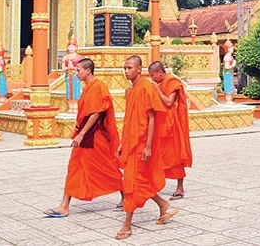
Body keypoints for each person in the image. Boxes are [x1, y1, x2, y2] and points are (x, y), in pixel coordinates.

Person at [43, 58, 123, 218]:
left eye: (79, 70)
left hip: (94, 136)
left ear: (88, 71)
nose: (76, 73)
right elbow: (87, 111)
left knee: (107, 167)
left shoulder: (98, 87)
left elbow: (96, 112)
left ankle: (127, 195)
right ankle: (64, 205)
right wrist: (78, 123)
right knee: (74, 167)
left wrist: (81, 133)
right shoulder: (88, 88)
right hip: (87, 135)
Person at [116, 56, 177, 240]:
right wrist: (122, 143)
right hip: (131, 141)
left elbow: (151, 117)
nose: (126, 71)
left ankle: (127, 224)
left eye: (129, 68)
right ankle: (162, 204)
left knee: (132, 183)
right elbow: (130, 119)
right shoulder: (132, 89)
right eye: (125, 68)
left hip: (142, 143)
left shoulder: (145, 87)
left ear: (139, 69)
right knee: (137, 180)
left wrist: (149, 146)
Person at [148, 61, 193, 201]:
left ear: (160, 72)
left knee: (174, 155)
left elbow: (168, 102)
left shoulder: (172, 82)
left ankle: (180, 187)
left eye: (153, 75)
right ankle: (156, 184)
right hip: (159, 122)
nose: (152, 78)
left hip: (170, 123)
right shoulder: (160, 84)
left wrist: (156, 88)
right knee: (158, 155)